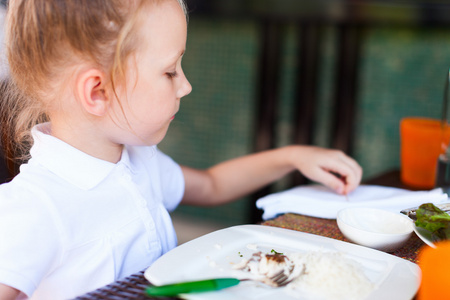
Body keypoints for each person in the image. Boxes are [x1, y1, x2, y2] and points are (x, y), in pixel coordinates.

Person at [0, 0, 362, 299]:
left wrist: (292, 156)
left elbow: (212, 184)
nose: (185, 85)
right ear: (98, 92)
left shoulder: (137, 162)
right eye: (170, 71)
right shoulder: (34, 209)